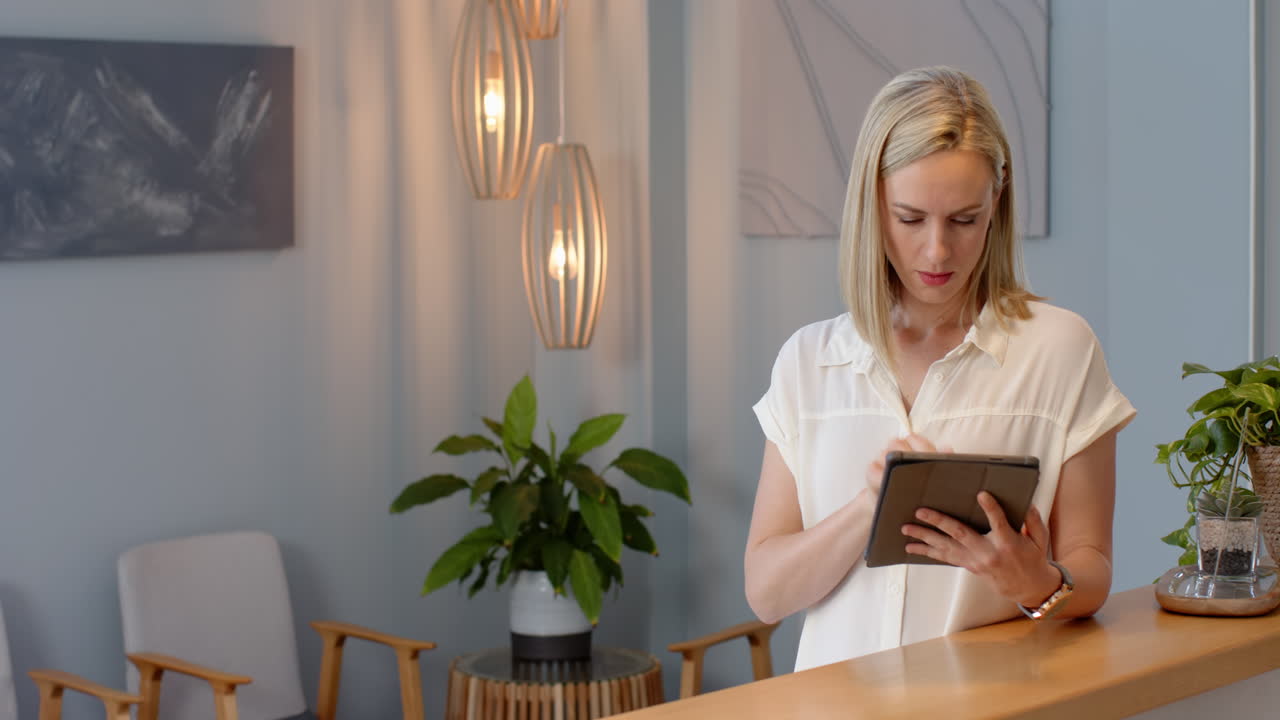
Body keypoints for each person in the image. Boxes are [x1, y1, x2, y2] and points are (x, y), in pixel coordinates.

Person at [745, 66, 1136, 672]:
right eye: (909, 218)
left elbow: (1093, 570)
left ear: (995, 206)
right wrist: (865, 508)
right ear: (872, 205)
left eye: (964, 219)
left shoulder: (1061, 349)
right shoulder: (809, 361)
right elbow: (767, 593)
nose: (936, 251)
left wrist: (1034, 580)